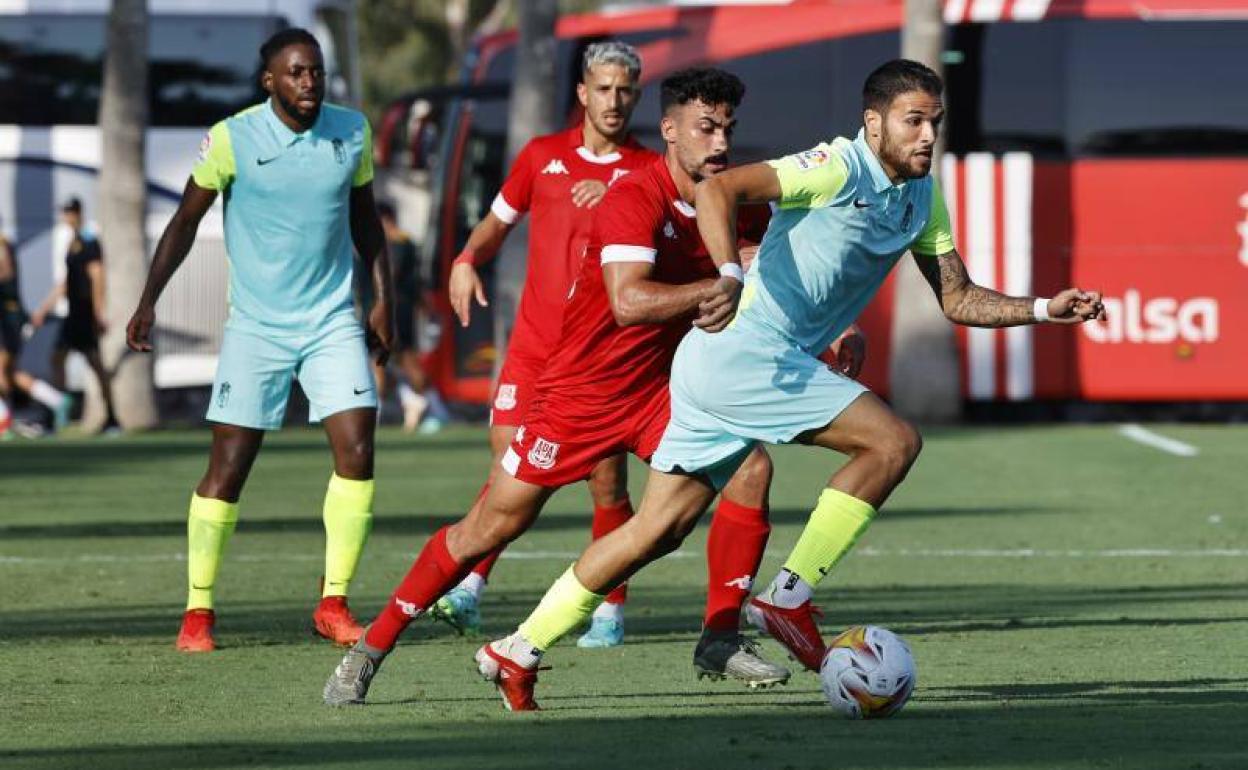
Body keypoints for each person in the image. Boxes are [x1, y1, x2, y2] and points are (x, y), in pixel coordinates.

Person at [474, 59, 1106, 710]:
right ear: (873, 123)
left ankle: (517, 648)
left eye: (935, 123)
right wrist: (727, 273)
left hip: (718, 364)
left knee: (658, 530)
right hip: (748, 354)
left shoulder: (923, 196)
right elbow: (719, 193)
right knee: (891, 444)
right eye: (912, 121)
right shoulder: (835, 167)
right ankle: (787, 597)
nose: (926, 136)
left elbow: (959, 297)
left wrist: (1042, 309)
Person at [323, 67, 855, 709]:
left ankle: (719, 634)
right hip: (580, 394)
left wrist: (831, 336)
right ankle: (370, 651)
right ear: (669, 132)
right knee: (488, 529)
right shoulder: (635, 196)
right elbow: (629, 302)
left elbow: (774, 286)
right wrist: (717, 287)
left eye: (728, 129)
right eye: (705, 128)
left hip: (663, 392)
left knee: (748, 471)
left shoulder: (741, 204)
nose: (719, 143)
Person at [125, 28, 395, 653]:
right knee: (228, 469)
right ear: (269, 80)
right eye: (297, 73)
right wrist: (148, 300)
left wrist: (385, 300)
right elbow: (185, 222)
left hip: (331, 320)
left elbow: (366, 219)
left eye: (317, 72)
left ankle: (333, 602)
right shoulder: (232, 138)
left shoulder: (351, 132)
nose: (310, 83)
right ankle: (198, 611)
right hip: (255, 327)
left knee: (357, 449)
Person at [431, 41, 657, 646]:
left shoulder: (646, 171)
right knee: (511, 463)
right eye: (603, 89)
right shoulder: (541, 157)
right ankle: (471, 588)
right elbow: (498, 222)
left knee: (606, 485)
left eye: (625, 90)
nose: (614, 101)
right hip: (533, 349)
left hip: (599, 359)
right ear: (583, 93)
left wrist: (615, 196)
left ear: (636, 96)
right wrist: (466, 258)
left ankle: (609, 608)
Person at [23, 198, 114, 430]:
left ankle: (112, 417)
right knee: (57, 359)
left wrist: (98, 312)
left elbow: (97, 275)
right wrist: (44, 309)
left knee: (95, 364)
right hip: (72, 313)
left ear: (77, 213)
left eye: (68, 212)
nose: (65, 217)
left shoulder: (89, 239)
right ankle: (59, 408)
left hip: (85, 313)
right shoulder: (72, 242)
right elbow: (65, 283)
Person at [358, 201, 436, 433]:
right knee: (388, 361)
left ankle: (421, 403)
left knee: (391, 360)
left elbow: (397, 276)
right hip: (389, 310)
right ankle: (413, 401)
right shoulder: (400, 243)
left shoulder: (396, 244)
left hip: (392, 311)